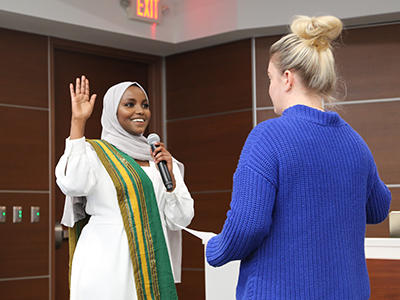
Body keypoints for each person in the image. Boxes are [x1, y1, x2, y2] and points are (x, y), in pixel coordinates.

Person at [206, 15, 391, 300]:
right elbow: (379, 208)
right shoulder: (354, 141)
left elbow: (248, 225)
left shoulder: (268, 136)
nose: (270, 89)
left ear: (288, 78)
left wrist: (216, 249)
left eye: (270, 78)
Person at [55, 76, 194, 300]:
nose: (140, 111)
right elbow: (72, 184)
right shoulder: (94, 152)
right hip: (105, 260)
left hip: (151, 255)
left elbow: (181, 219)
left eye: (145, 105)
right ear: (112, 111)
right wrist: (78, 122)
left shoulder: (159, 157)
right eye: (129, 104)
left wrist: (171, 183)